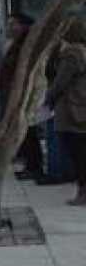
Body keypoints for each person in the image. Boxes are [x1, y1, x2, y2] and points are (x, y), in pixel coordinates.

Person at [0, 13, 45, 180]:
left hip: (23, 92)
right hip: (16, 91)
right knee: (24, 133)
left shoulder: (27, 43)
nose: (10, 27)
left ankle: (34, 166)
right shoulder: (17, 43)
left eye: (14, 24)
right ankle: (31, 165)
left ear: (24, 26)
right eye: (9, 24)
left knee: (28, 132)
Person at [46, 18, 86, 205]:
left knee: (78, 152)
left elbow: (60, 82)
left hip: (73, 108)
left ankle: (83, 192)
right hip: (80, 105)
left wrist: (49, 98)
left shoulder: (72, 53)